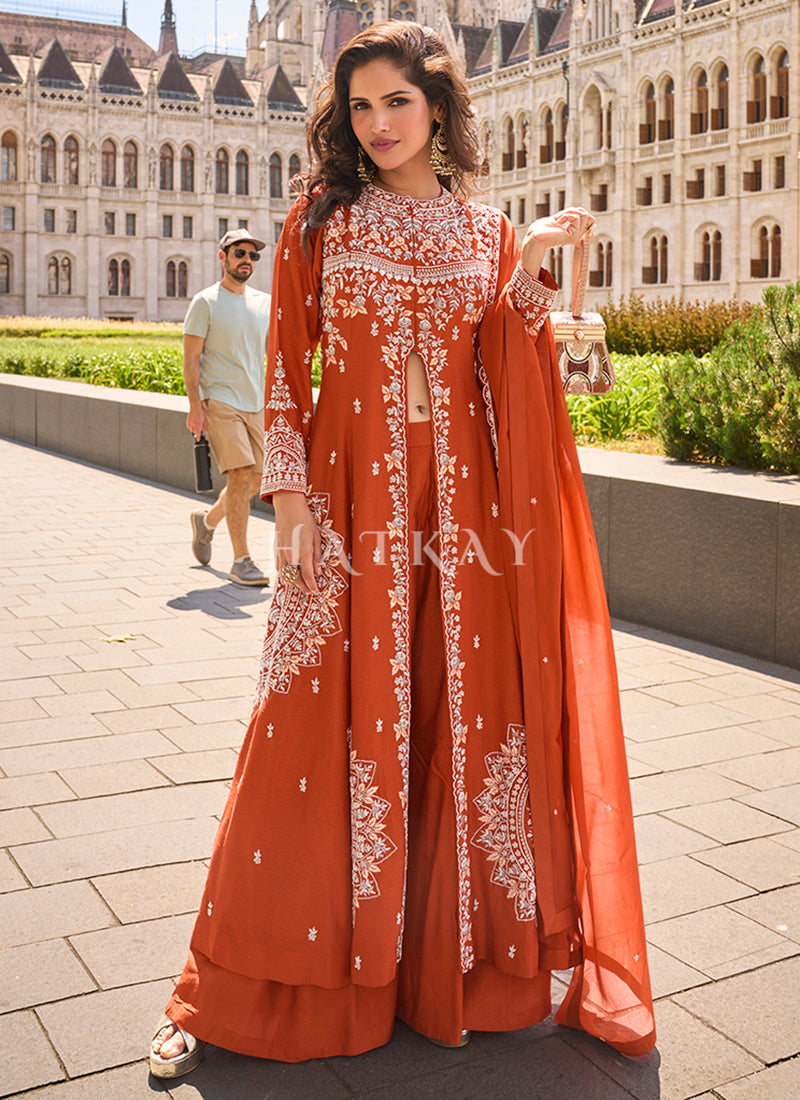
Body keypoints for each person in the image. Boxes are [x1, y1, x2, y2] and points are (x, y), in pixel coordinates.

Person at [150, 21, 655, 1079]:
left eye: (398, 102)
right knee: (309, 715)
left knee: (461, 711)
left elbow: (504, 360)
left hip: (461, 512)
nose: (378, 124)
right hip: (343, 501)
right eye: (361, 106)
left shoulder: (484, 228)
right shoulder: (320, 221)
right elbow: (290, 361)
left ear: (437, 106)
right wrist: (288, 498)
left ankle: (454, 968)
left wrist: (540, 267)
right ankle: (263, 971)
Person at [183, 229, 271, 587]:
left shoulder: (264, 302)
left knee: (259, 478)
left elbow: (271, 353)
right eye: (239, 253)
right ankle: (242, 561)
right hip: (220, 400)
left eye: (252, 255)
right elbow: (191, 359)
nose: (246, 260)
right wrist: (195, 407)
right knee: (240, 474)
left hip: (257, 402)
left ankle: (206, 523)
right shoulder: (205, 301)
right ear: (223, 257)